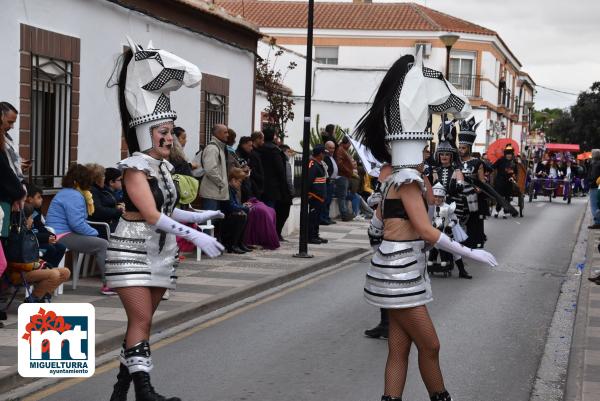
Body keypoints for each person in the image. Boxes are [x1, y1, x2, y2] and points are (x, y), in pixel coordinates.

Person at [355, 53, 496, 401]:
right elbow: (426, 231)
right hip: (402, 276)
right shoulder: (409, 181)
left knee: (399, 350)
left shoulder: (391, 180)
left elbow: (376, 230)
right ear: (419, 143)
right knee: (430, 345)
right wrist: (469, 251)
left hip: (394, 271)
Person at [107, 38, 224, 401]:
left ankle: (119, 392)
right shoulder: (133, 169)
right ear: (147, 133)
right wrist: (197, 235)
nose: (169, 137)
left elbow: (168, 208)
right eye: (163, 132)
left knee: (140, 326)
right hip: (132, 249)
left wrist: (201, 214)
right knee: (140, 322)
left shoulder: (161, 168)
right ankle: (145, 392)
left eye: (171, 132)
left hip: (161, 251)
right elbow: (152, 214)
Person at [45, 164, 114, 295]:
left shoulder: (67, 192)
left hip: (59, 233)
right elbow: (77, 224)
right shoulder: (74, 195)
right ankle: (108, 284)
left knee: (99, 242)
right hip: (61, 235)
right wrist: (95, 233)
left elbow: (77, 222)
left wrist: (92, 234)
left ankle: (109, 282)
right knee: (102, 244)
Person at [5, 204, 71, 303]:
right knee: (54, 274)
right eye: (30, 218)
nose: (32, 220)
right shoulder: (15, 237)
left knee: (65, 272)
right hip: (19, 274)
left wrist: (41, 264)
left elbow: (33, 257)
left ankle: (39, 297)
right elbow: (12, 262)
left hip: (32, 269)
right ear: (24, 220)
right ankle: (33, 300)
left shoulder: (28, 235)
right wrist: (37, 265)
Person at [431, 120, 472, 279]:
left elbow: (461, 187)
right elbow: (431, 189)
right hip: (437, 210)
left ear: (451, 155)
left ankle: (461, 270)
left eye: (447, 154)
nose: (444, 157)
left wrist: (455, 187)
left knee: (452, 242)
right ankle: (431, 265)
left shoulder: (457, 170)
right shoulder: (435, 171)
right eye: (442, 154)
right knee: (434, 238)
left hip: (451, 210)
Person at [257, 126, 291, 240]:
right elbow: (280, 170)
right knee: (270, 212)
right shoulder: (275, 151)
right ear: (273, 137)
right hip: (273, 187)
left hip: (260, 185)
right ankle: (269, 235)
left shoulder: (259, 149)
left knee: (262, 212)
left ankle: (262, 234)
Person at [457, 117, 486, 250]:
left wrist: (476, 189)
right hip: (457, 196)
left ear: (469, 147)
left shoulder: (477, 162)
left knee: (473, 222)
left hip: (472, 198)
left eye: (463, 148)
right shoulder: (454, 162)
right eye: (459, 147)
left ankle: (473, 243)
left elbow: (482, 182)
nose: (460, 150)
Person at [24, 183, 66, 268]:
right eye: (39, 197)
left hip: (39, 239)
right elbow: (26, 233)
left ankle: (53, 270)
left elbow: (40, 226)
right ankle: (45, 270)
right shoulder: (24, 211)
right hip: (30, 242)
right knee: (50, 249)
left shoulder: (36, 209)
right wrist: (46, 238)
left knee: (61, 247)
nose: (42, 199)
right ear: (30, 199)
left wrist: (51, 236)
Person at [87, 163, 124, 235]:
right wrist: (119, 211)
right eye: (103, 175)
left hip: (109, 222)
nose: (105, 178)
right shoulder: (92, 191)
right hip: (102, 226)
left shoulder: (102, 189)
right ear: (97, 178)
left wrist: (120, 205)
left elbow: (114, 201)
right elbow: (98, 211)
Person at [222, 168, 252, 254]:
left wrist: (243, 206)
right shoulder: (228, 190)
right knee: (241, 215)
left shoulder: (232, 189)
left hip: (229, 214)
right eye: (239, 182)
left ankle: (239, 243)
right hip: (226, 215)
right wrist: (244, 208)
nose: (240, 184)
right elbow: (231, 206)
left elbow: (234, 205)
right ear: (233, 180)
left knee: (244, 213)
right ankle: (233, 245)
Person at [200, 124, 230, 211]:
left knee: (213, 221)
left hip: (215, 192)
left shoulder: (218, 147)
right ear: (217, 133)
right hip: (212, 193)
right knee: (208, 222)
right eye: (225, 132)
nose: (227, 135)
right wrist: (221, 183)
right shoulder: (212, 148)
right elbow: (210, 170)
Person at [308, 145, 329, 245]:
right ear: (320, 154)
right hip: (314, 196)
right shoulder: (312, 163)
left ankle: (315, 235)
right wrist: (309, 193)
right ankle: (310, 236)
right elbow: (309, 180)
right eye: (323, 153)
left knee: (317, 217)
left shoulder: (319, 164)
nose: (324, 155)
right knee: (313, 217)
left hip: (320, 196)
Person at [492, 144, 518, 219]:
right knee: (499, 197)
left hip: (509, 183)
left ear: (512, 154)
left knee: (507, 198)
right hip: (499, 182)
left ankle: (505, 212)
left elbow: (515, 172)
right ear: (505, 154)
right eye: (507, 154)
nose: (509, 156)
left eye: (510, 154)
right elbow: (493, 167)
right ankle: (497, 211)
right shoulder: (500, 160)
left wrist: (513, 176)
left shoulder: (514, 162)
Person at [335, 136, 355, 221]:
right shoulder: (340, 150)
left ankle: (345, 213)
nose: (350, 146)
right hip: (342, 176)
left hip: (345, 176)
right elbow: (340, 164)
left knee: (344, 196)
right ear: (346, 143)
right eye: (350, 144)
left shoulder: (343, 150)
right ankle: (344, 214)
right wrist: (349, 171)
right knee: (342, 196)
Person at [321, 140, 338, 225]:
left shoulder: (332, 157)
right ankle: (323, 218)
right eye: (330, 148)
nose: (332, 150)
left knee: (329, 201)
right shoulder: (325, 157)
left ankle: (327, 217)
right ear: (326, 148)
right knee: (325, 201)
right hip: (328, 182)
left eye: (333, 148)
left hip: (332, 182)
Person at [249, 131, 265, 199]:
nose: (263, 142)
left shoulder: (258, 151)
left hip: (257, 186)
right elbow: (253, 170)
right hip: (255, 187)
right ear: (257, 139)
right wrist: (261, 178)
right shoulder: (253, 153)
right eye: (262, 139)